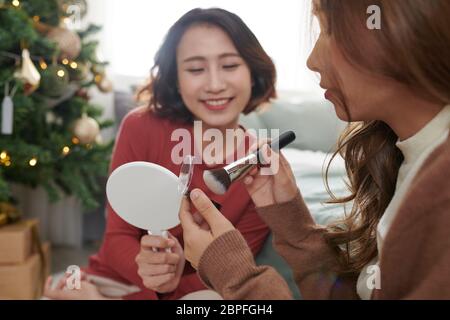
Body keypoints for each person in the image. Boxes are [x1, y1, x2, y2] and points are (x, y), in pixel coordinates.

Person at [176, 0, 450, 299]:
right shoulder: (412, 160)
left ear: (400, 27)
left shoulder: (440, 193)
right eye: (195, 68)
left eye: (329, 28)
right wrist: (297, 229)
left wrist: (236, 276)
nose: (312, 60)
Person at [44, 7, 276, 300]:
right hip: (115, 279)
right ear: (175, 79)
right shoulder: (141, 126)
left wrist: (168, 283)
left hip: (192, 294)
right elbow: (118, 238)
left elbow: (229, 274)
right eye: (195, 69)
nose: (215, 84)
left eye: (229, 66)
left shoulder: (263, 170)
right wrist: (150, 276)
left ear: (253, 73)